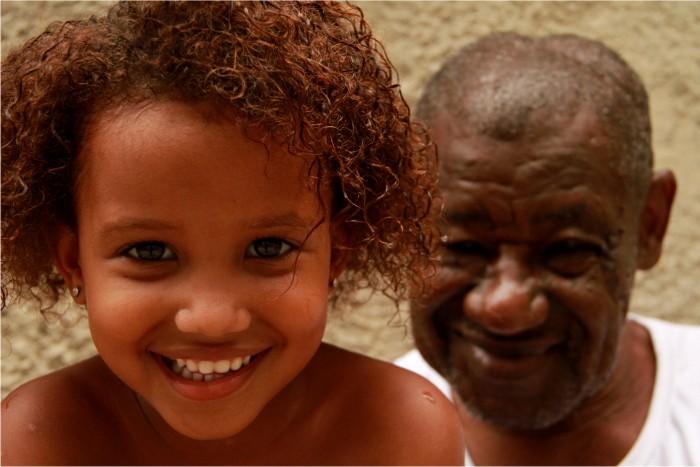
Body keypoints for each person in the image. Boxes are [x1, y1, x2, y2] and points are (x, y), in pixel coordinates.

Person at [0, 2, 466, 465]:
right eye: (149, 251)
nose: (212, 320)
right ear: (72, 259)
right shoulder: (36, 443)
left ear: (336, 251)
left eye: (268, 248)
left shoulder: (400, 433)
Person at [396, 31, 700, 465]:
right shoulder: (354, 441)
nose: (505, 306)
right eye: (461, 247)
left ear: (649, 225)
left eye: (566, 252)